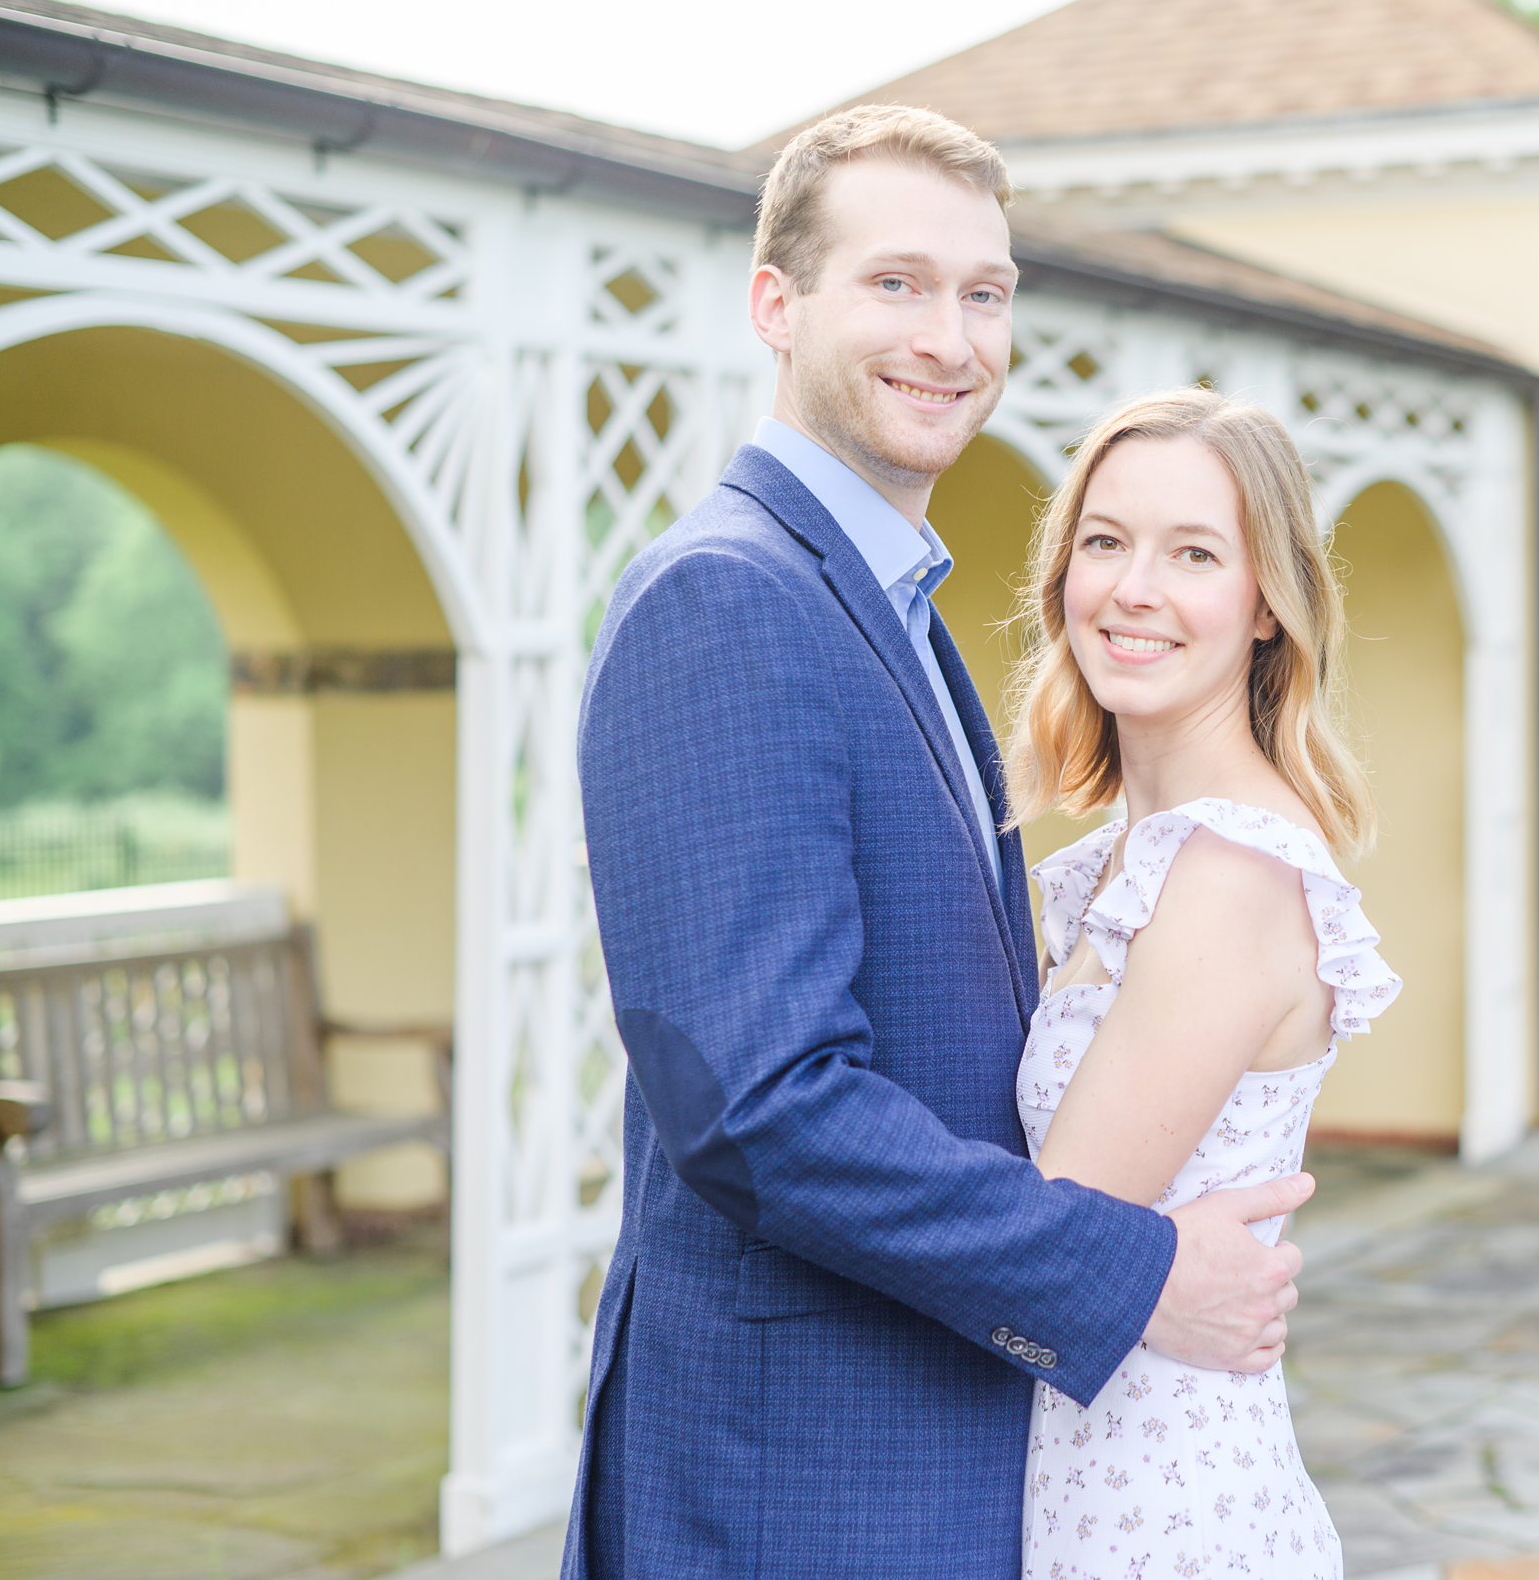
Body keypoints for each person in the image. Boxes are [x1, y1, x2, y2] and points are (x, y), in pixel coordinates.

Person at [563, 107, 1313, 1580]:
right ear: (777, 305)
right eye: (896, 284)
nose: (951, 337)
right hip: (795, 1477)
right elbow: (762, 1105)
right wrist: (1140, 1273)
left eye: (986, 293)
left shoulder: (891, 607)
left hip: (937, 1451)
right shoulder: (725, 601)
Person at [1003, 389, 1402, 1578]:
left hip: (1165, 1511)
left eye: (1194, 554)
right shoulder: (1124, 855)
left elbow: (1049, 1233)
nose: (1133, 588)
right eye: (1106, 540)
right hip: (1087, 1468)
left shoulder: (1228, 871)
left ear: (1268, 601)